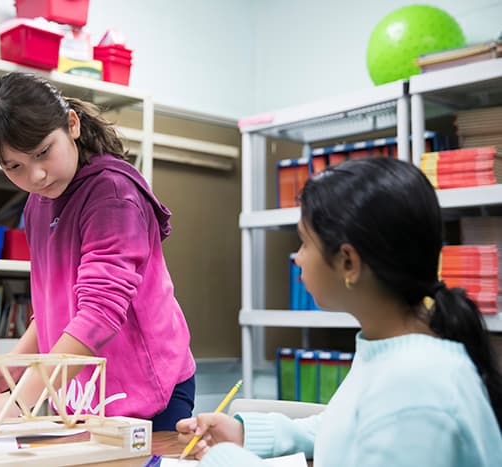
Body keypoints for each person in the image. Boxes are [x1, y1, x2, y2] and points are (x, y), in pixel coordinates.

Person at [177, 157, 502, 465]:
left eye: (304, 243)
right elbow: (345, 428)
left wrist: (224, 460)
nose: (298, 258)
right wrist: (245, 433)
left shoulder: (417, 389)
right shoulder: (390, 350)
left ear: (349, 262)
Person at [0, 72, 196, 431]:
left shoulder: (114, 194)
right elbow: (53, 308)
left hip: (149, 390)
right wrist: (11, 367)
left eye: (43, 153)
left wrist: (19, 399)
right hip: (85, 390)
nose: (36, 176)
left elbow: (100, 311)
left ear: (71, 125)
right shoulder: (38, 206)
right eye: (15, 167)